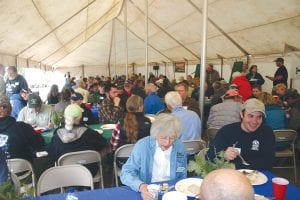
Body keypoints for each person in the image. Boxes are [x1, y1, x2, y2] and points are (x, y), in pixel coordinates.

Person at [120, 114, 186, 199]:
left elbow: (182, 171)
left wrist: (177, 185)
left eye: (172, 138)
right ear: (155, 134)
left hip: (171, 191)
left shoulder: (179, 146)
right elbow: (127, 172)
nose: (167, 143)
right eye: (163, 138)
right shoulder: (142, 146)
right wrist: (141, 186)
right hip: (149, 190)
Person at [207, 98, 275, 170]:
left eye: (259, 117)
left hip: (257, 176)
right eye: (250, 116)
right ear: (242, 114)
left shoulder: (267, 132)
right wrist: (223, 155)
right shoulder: (227, 131)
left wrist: (236, 166)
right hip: (231, 176)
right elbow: (209, 156)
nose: (254, 121)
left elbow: (269, 162)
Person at [49, 104, 107, 175]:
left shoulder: (56, 136)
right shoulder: (89, 133)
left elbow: (52, 156)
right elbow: (103, 144)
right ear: (80, 117)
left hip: (65, 173)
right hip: (89, 172)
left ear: (64, 117)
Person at [0, 95, 44, 162]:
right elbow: (40, 144)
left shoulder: (22, 127)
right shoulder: (23, 127)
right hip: (23, 170)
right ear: (10, 108)